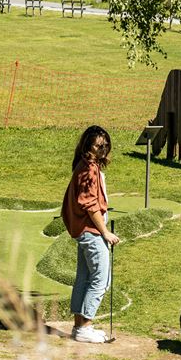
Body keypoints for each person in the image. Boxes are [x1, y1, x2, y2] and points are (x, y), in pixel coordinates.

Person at [61, 125, 120, 343]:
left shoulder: (87, 166)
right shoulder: (87, 170)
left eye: (105, 145)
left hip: (85, 231)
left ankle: (80, 327)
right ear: (88, 146)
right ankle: (85, 328)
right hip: (91, 231)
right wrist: (105, 232)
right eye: (98, 146)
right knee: (101, 279)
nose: (103, 149)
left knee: (84, 278)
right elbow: (90, 205)